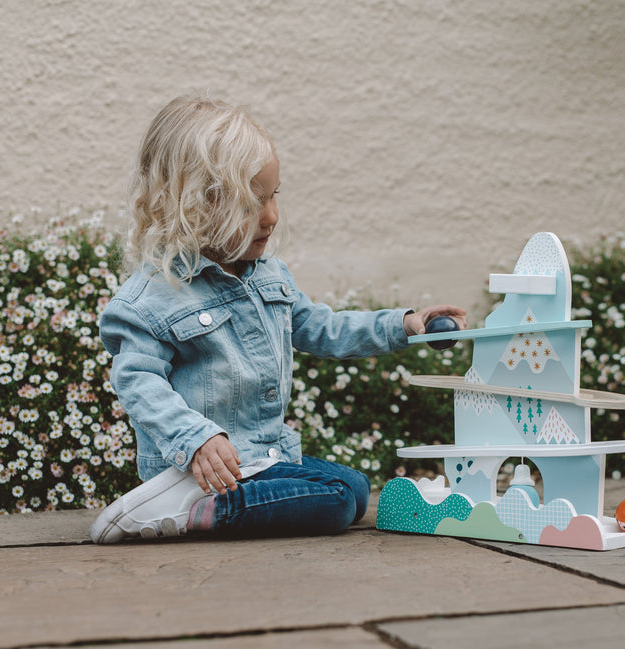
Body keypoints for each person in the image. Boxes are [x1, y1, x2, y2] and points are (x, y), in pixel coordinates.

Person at [90, 95, 465, 543]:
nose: (271, 217)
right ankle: (186, 508)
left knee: (355, 487)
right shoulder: (152, 298)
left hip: (262, 460)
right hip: (199, 471)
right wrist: (196, 440)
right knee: (340, 499)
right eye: (250, 204)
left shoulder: (268, 275)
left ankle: (210, 511)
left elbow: (323, 329)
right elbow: (138, 382)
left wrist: (403, 324)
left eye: (273, 197)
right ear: (192, 206)